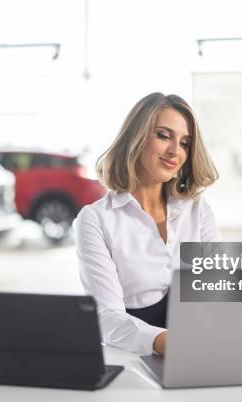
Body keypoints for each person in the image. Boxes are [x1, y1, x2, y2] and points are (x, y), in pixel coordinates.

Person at [74, 92, 219, 355]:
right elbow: (106, 317)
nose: (175, 151)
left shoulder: (198, 210)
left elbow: (217, 291)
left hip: (202, 352)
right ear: (136, 137)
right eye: (164, 136)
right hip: (135, 360)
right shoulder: (95, 219)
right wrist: (167, 342)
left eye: (185, 143)